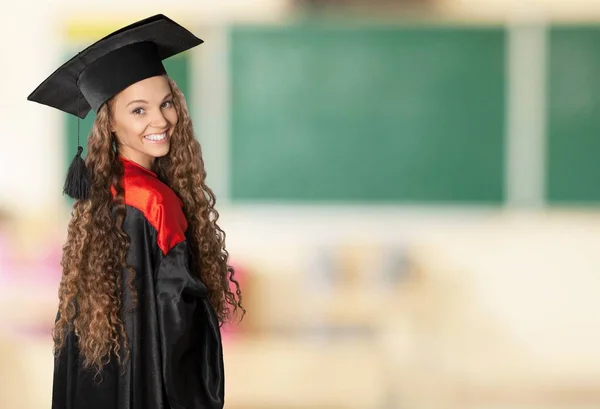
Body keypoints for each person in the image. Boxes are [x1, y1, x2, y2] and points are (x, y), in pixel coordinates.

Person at [27, 14, 243, 409]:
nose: (161, 120)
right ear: (110, 123)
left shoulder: (103, 192)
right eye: (139, 111)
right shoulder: (155, 202)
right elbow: (179, 322)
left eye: (166, 104)